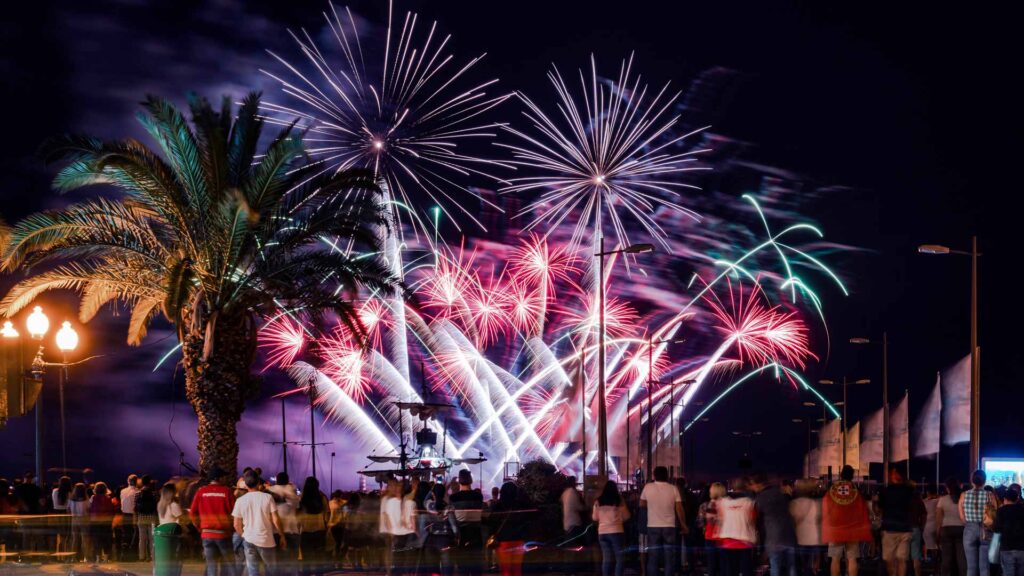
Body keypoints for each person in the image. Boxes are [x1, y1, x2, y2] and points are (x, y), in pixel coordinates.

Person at [232, 470, 286, 576]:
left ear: (246, 485)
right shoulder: (267, 498)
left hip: (249, 540)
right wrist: (282, 535)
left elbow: (236, 524)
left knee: (253, 570)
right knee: (270, 570)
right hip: (266, 540)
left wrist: (243, 535)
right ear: (258, 483)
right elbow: (275, 519)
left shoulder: (240, 501)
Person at [641, 466, 687, 576]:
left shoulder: (648, 487)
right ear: (667, 475)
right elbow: (679, 509)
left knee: (653, 556)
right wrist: (684, 525)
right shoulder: (673, 488)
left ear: (654, 475)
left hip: (652, 525)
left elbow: (642, 504)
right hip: (669, 526)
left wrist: (653, 506)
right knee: (669, 556)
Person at [192, 467, 237, 576]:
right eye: (224, 476)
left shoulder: (201, 492)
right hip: (223, 535)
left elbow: (193, 512)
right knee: (229, 565)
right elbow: (235, 513)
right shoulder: (227, 491)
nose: (225, 479)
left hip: (206, 534)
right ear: (220, 478)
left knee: (211, 566)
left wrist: (200, 528)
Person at [752, 472, 798, 576]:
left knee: (775, 566)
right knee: (791, 566)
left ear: (758, 484)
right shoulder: (780, 493)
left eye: (753, 484)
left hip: (774, 537)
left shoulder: (761, 497)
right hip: (789, 535)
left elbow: (757, 518)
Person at [960, 469, 998, 576]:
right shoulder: (990, 495)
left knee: (971, 567)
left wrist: (969, 524)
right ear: (985, 481)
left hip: (969, 529)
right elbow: (994, 514)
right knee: (985, 567)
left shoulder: (963, 495)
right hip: (985, 530)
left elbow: (962, 517)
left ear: (972, 481)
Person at [878, 467, 915, 576]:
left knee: (890, 559)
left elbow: (880, 508)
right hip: (905, 528)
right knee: (901, 559)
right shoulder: (909, 490)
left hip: (890, 528)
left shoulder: (885, 491)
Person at [488, 481, 530, 576]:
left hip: (503, 541)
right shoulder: (519, 505)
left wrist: (492, 535)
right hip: (518, 540)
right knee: (517, 569)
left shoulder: (499, 506)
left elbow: (492, 522)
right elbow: (530, 515)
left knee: (505, 569)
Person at [717, 477, 756, 576]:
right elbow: (752, 520)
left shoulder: (723, 502)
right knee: (746, 570)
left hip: (727, 540)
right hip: (744, 540)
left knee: (730, 570)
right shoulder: (749, 503)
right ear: (745, 487)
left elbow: (721, 519)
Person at [449, 469, 485, 576]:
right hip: (476, 534)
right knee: (476, 569)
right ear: (471, 480)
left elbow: (452, 517)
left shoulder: (454, 498)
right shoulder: (479, 496)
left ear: (459, 480)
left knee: (463, 568)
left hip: (462, 535)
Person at [593, 479, 631, 576]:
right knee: (620, 558)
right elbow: (627, 516)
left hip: (602, 532)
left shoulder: (598, 501)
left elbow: (594, 517)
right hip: (616, 531)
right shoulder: (618, 500)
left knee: (606, 558)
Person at [297, 476, 329, 576]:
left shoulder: (301, 497)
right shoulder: (322, 497)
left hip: (305, 532)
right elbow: (327, 512)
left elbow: (298, 515)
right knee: (319, 559)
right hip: (320, 531)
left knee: (306, 560)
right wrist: (326, 524)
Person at [268, 472, 299, 573]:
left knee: (275, 562)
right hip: (291, 530)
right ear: (287, 480)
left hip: (274, 530)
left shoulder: (269, 490)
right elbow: (297, 506)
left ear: (276, 480)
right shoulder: (292, 490)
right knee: (292, 562)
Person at [790, 479, 822, 576]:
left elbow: (793, 522)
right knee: (812, 568)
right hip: (815, 539)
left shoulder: (794, 503)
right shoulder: (817, 503)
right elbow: (819, 521)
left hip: (800, 539)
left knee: (803, 567)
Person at [423, 482, 455, 576]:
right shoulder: (448, 507)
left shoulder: (429, 505)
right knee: (447, 571)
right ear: (444, 493)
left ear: (433, 494)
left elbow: (425, 499)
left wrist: (432, 490)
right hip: (445, 541)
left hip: (432, 541)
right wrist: (456, 537)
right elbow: (453, 526)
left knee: (434, 572)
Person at [937, 477, 967, 576]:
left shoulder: (943, 500)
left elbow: (939, 519)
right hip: (961, 529)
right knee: (961, 557)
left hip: (946, 529)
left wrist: (938, 533)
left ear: (947, 488)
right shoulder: (964, 498)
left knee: (946, 558)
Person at [993, 484, 1024, 576]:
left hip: (1007, 547)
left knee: (1008, 572)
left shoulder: (1001, 511)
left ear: (1005, 499)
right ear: (1017, 499)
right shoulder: (1022, 509)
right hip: (1022, 547)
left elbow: (997, 529)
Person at [698, 482, 727, 576]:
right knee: (724, 563)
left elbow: (700, 522)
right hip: (724, 536)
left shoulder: (704, 506)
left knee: (711, 563)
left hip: (709, 536)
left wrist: (704, 527)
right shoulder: (728, 505)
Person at [89, 482, 116, 564]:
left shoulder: (93, 498)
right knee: (106, 540)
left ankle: (97, 558)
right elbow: (112, 511)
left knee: (97, 541)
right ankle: (106, 558)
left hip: (95, 522)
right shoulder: (109, 498)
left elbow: (89, 509)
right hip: (106, 523)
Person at [136, 475, 159, 562]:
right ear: (150, 482)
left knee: (142, 539)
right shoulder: (154, 493)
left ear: (142, 482)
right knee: (152, 538)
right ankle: (152, 556)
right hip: (151, 518)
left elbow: (135, 508)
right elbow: (157, 505)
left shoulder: (138, 493)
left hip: (141, 518)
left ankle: (142, 557)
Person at [68, 482, 90, 561]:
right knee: (85, 539)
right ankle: (86, 557)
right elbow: (89, 508)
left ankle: (73, 558)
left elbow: (68, 509)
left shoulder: (71, 499)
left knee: (75, 539)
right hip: (84, 519)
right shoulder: (86, 499)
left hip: (74, 519)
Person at [911, 488, 928, 576]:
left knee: (902, 557)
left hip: (904, 530)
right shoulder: (919, 501)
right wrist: (922, 526)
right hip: (915, 528)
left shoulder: (903, 501)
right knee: (916, 556)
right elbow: (924, 515)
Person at [327, 490, 346, 564]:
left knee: (336, 543)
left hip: (333, 525)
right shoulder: (337, 503)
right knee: (338, 543)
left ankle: (335, 560)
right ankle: (337, 560)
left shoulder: (330, 503)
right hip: (336, 526)